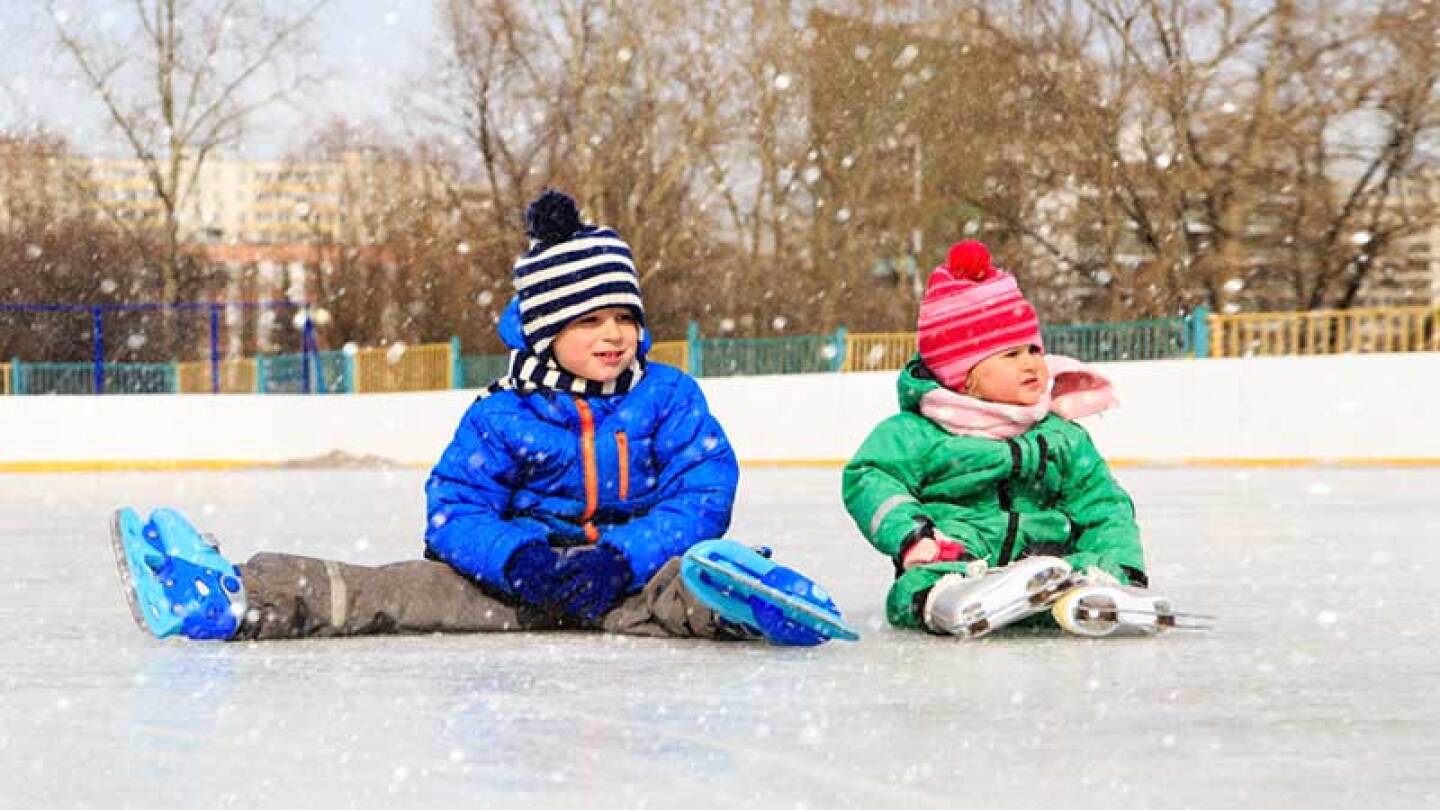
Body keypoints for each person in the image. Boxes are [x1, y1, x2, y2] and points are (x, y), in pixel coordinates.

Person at [112, 190, 849, 647]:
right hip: (512, 591)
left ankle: (758, 605)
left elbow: (703, 491)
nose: (615, 333)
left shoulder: (667, 396)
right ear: (545, 329)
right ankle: (239, 597)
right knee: (392, 589)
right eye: (590, 317)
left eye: (625, 314)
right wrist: (518, 562)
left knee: (695, 579)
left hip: (627, 582)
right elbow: (453, 511)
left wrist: (623, 557)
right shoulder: (502, 415)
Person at [841, 240, 1174, 638]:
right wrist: (914, 536)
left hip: (1052, 563)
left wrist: (1121, 565)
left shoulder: (1061, 435)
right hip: (958, 557)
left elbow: (1103, 505)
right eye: (1010, 354)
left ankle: (1094, 592)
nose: (1032, 362)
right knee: (918, 585)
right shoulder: (917, 432)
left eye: (1033, 348)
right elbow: (869, 479)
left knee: (1082, 562)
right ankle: (952, 600)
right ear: (966, 377)